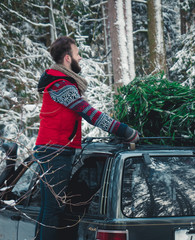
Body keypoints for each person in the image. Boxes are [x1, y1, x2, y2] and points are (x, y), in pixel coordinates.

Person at [34, 36, 139, 240]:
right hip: (54, 152)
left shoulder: (61, 82)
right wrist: (125, 131)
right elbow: (89, 114)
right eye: (77, 54)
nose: (80, 58)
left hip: (54, 150)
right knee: (52, 213)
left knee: (49, 211)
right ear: (67, 58)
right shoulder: (60, 85)